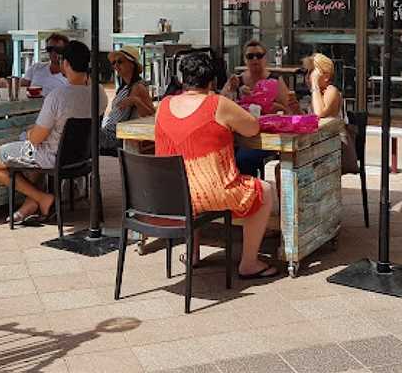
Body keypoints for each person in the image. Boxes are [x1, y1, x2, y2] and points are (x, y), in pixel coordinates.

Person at [154, 52, 278, 279]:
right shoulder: (218, 104)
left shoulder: (163, 105)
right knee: (266, 190)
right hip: (209, 192)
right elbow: (252, 128)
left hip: (169, 195)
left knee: (192, 178)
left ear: (182, 80)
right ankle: (249, 263)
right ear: (212, 81)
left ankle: (192, 254)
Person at [0, 40, 107, 224]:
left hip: (52, 157)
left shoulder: (58, 96)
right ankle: (33, 202)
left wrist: (29, 132)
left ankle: (41, 198)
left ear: (65, 63)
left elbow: (37, 139)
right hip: (82, 157)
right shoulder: (100, 92)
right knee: (28, 153)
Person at [220, 39, 299, 176]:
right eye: (250, 56)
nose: (255, 59)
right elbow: (220, 105)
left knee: (243, 159)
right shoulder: (237, 80)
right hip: (239, 135)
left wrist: (277, 107)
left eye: (259, 55)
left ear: (265, 58)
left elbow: (290, 111)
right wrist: (232, 90)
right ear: (245, 60)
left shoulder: (275, 81)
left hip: (264, 137)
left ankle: (253, 191)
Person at [101, 45, 154, 154]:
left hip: (114, 135)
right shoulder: (124, 87)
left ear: (132, 64)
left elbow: (151, 114)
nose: (116, 65)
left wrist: (136, 101)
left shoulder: (138, 87)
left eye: (120, 62)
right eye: (113, 63)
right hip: (109, 130)